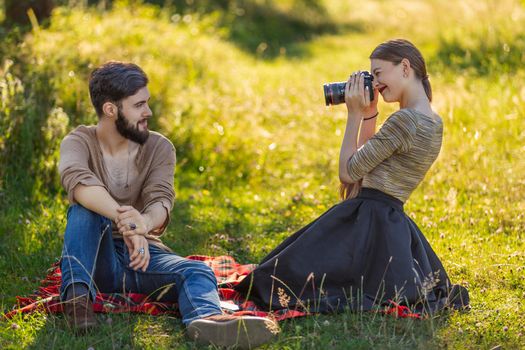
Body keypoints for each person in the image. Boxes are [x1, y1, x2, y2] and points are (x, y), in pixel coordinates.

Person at [235, 39, 469, 314]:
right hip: (390, 223)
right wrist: (370, 114)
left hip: (366, 221)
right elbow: (367, 164)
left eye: (378, 74)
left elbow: (348, 172)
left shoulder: (404, 121)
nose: (375, 83)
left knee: (270, 281)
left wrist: (354, 115)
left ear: (405, 67)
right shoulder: (432, 120)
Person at [58, 61, 278, 347]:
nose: (148, 112)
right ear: (111, 110)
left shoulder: (160, 147)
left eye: (147, 103)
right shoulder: (78, 141)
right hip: (95, 256)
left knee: (198, 271)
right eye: (139, 105)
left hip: (144, 257)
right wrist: (129, 224)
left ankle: (208, 321)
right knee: (83, 212)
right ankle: (77, 302)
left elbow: (161, 201)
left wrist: (143, 225)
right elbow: (80, 184)